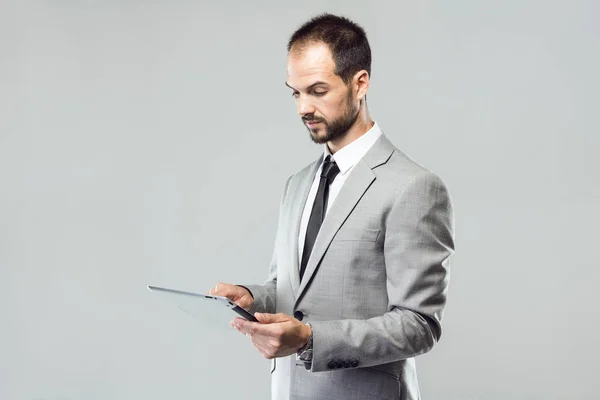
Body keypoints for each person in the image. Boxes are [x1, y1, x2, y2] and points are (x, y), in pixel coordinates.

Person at [209, 13, 455, 400]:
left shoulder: (414, 187)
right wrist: (252, 298)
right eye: (295, 92)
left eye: (318, 91)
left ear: (360, 84)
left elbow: (419, 324)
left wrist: (311, 339)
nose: (303, 107)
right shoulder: (298, 184)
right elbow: (292, 290)